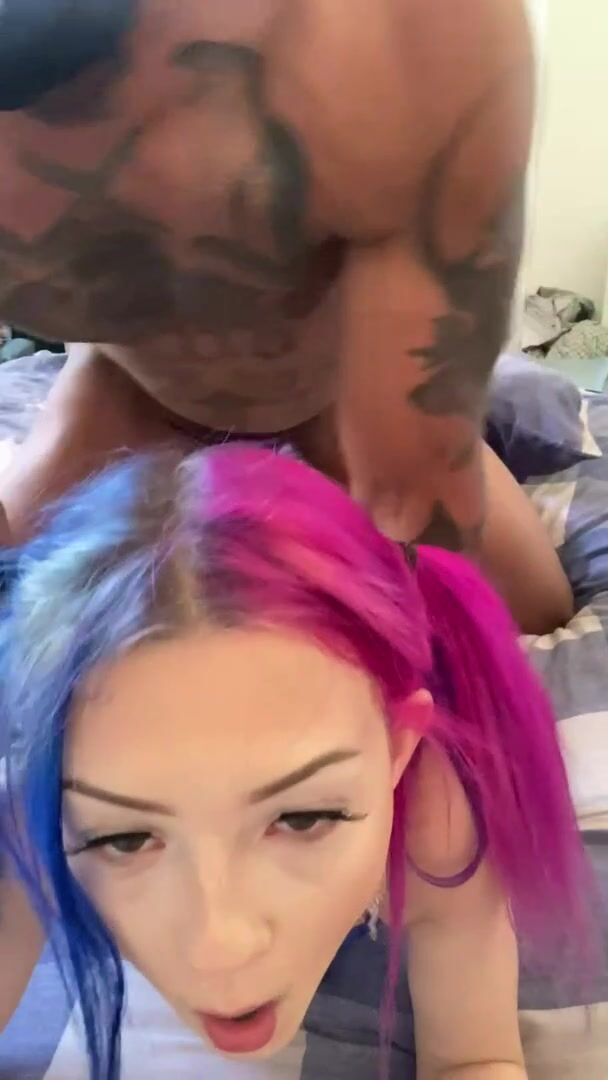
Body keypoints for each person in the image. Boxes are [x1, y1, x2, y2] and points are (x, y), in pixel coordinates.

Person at [0, 447, 593, 1079]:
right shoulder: (34, 817)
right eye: (123, 838)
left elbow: (475, 1055)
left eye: (305, 818)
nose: (219, 948)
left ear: (398, 751)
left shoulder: (437, 819)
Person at [0, 0, 534, 557]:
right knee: (23, 589)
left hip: (337, 388)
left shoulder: (406, 32)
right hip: (130, 382)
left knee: (529, 598)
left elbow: (422, 473)